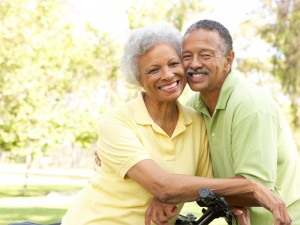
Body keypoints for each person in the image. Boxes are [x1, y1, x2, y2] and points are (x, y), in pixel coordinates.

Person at [61, 23, 291, 225]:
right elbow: (164, 186)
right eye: (153, 70)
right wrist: (251, 186)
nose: (168, 75)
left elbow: (205, 186)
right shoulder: (116, 121)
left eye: (173, 63)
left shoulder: (196, 119)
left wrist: (171, 195)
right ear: (138, 79)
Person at [181, 19, 300, 225]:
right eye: (186, 56)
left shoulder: (250, 105)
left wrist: (174, 192)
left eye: (206, 55)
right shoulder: (194, 105)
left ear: (229, 59)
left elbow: (256, 190)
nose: (194, 64)